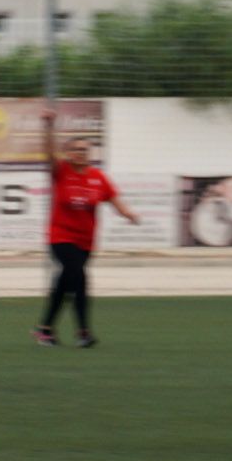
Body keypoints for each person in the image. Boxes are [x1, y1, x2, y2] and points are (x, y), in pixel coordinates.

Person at [35, 109, 140, 347]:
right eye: (77, 149)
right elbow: (48, 153)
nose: (82, 153)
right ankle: (84, 333)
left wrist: (128, 214)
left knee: (64, 284)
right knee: (80, 279)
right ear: (69, 153)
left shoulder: (98, 177)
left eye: (85, 149)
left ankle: (44, 330)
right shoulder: (62, 172)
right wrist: (49, 127)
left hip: (86, 242)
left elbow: (114, 200)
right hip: (60, 238)